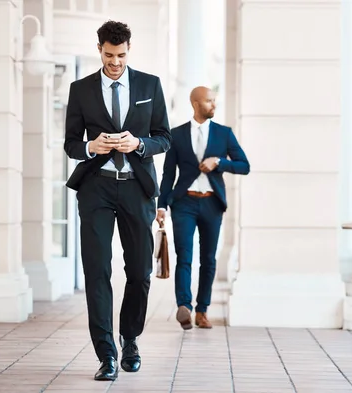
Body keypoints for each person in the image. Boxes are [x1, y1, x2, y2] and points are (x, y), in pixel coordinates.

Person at [63, 20, 171, 381]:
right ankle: (106, 354)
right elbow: (70, 143)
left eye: (121, 55)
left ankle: (130, 339)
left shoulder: (149, 85)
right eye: (109, 56)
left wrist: (138, 144)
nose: (115, 62)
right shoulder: (80, 89)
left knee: (139, 273)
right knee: (97, 271)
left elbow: (164, 138)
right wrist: (90, 146)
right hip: (96, 186)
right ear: (100, 49)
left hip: (136, 186)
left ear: (129, 49)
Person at [157, 86, 250, 330]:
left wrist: (219, 162)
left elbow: (244, 165)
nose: (214, 105)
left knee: (208, 260)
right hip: (184, 202)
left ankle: (202, 310)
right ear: (196, 103)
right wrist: (162, 205)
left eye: (214, 101)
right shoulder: (176, 135)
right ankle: (184, 307)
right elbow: (168, 175)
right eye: (209, 101)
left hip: (212, 203)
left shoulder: (224, 134)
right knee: (184, 257)